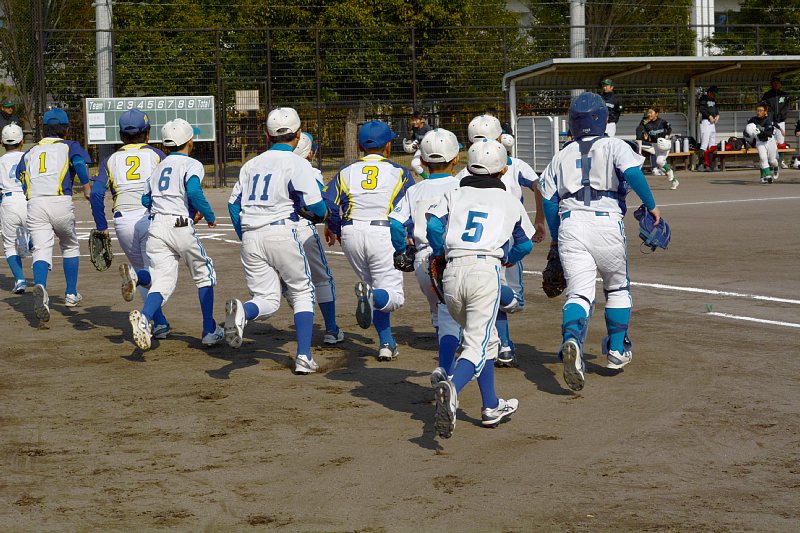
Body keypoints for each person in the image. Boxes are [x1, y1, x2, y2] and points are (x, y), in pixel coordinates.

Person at [538, 92, 661, 392]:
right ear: (603, 120)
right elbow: (633, 173)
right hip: (606, 223)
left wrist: (556, 237)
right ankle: (617, 351)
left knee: (579, 293)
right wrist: (652, 205)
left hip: (571, 225)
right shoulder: (615, 145)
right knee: (617, 287)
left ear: (572, 122)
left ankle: (571, 339)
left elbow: (549, 201)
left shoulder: (561, 155)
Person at [427, 138, 536, 438]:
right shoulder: (509, 200)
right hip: (485, 272)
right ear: (503, 171)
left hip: (453, 272)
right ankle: (452, 388)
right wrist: (508, 260)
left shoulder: (454, 192)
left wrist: (439, 252)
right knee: (477, 344)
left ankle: (491, 406)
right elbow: (525, 243)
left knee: (485, 341)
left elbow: (434, 226)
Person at [223, 109, 329, 374]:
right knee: (303, 291)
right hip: (281, 231)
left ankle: (243, 312)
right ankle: (303, 356)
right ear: (299, 133)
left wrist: (245, 237)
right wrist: (324, 215)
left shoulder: (250, 165)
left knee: (266, 299)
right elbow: (316, 206)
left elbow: (234, 205)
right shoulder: (298, 163)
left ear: (267, 135)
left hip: (251, 235)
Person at [455, 114, 545, 367]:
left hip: (470, 244)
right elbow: (538, 185)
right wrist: (539, 219)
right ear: (501, 139)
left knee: (479, 293)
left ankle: (485, 342)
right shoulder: (513, 165)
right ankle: (502, 344)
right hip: (507, 242)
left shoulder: (463, 173)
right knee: (507, 298)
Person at [128, 118, 223, 351]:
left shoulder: (158, 167)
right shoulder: (192, 164)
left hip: (156, 227)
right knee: (205, 274)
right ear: (190, 142)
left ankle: (144, 318)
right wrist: (208, 215)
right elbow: (193, 190)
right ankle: (209, 331)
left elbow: (146, 199)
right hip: (180, 226)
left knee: (161, 281)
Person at [323, 120, 414, 361]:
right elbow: (410, 207)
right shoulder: (399, 172)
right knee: (392, 296)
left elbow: (329, 202)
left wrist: (335, 228)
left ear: (361, 146)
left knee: (375, 286)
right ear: (388, 146)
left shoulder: (346, 171)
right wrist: (410, 236)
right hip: (383, 233)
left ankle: (387, 343)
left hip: (352, 232)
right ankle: (373, 302)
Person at [91, 109, 172, 339]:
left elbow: (96, 194)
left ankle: (161, 323)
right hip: (150, 217)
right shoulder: (157, 155)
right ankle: (149, 320)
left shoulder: (110, 160)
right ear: (147, 134)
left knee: (144, 273)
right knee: (160, 274)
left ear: (121, 135)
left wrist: (101, 226)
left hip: (122, 221)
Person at [389, 128, 462, 379]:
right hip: (454, 256)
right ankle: (454, 368)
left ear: (422, 160)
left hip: (423, 261)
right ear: (456, 158)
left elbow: (396, 224)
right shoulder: (461, 186)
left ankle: (448, 360)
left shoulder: (415, 190)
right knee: (464, 315)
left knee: (441, 314)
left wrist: (401, 251)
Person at [17, 108, 92, 325]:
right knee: (69, 244)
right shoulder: (69, 145)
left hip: (35, 203)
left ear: (44, 129)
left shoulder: (30, 151)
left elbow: (21, 176)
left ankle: (40, 285)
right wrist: (86, 186)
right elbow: (79, 163)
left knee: (41, 249)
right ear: (66, 129)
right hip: (60, 200)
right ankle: (71, 293)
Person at [292, 132, 344, 345]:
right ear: (309, 153)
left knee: (288, 282)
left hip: (274, 230)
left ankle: (248, 312)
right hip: (303, 229)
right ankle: (331, 329)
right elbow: (324, 201)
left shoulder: (271, 165)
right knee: (322, 279)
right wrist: (331, 223)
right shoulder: (309, 171)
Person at [0, 124, 29, 294]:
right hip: (29, 200)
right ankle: (30, 241)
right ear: (22, 141)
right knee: (40, 237)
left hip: (9, 201)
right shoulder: (28, 157)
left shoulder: (1, 161)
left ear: (2, 143)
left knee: (9, 245)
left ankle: (20, 280)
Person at [642, 106, 678, 189]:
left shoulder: (662, 121)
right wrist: (645, 135)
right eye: (649, 112)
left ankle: (670, 172)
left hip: (664, 144)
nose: (649, 114)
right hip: (655, 145)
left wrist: (667, 135)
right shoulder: (647, 125)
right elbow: (645, 136)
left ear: (657, 114)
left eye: (651, 112)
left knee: (659, 161)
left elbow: (669, 127)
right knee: (661, 166)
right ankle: (674, 181)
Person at [743, 102, 779, 184]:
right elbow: (747, 130)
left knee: (772, 161)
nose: (758, 112)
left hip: (769, 141)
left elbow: (769, 133)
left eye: (760, 110)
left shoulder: (768, 120)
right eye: (757, 110)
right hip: (759, 141)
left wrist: (760, 130)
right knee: (763, 158)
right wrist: (746, 133)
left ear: (765, 111)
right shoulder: (753, 120)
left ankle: (776, 167)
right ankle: (768, 176)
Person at [761, 76, 790, 168]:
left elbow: (786, 107)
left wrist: (781, 115)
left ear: (780, 84)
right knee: (770, 141)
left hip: (781, 121)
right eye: (774, 83)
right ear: (771, 84)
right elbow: (765, 106)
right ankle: (771, 161)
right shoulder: (767, 95)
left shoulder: (784, 95)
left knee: (781, 141)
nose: (776, 84)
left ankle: (781, 161)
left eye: (778, 83)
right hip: (770, 121)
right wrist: (771, 115)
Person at [402, 110, 432, 179]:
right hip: (421, 149)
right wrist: (411, 143)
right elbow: (414, 138)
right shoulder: (414, 128)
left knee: (433, 165)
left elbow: (431, 142)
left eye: (416, 120)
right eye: (413, 120)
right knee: (414, 164)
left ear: (422, 120)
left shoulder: (427, 128)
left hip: (430, 150)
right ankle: (427, 179)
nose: (414, 122)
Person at [697, 86, 720, 172]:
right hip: (705, 122)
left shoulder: (714, 100)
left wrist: (717, 115)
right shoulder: (704, 98)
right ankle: (701, 163)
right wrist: (709, 116)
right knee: (704, 143)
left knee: (712, 144)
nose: (714, 96)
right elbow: (702, 109)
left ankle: (711, 164)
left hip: (712, 123)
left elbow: (716, 109)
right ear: (709, 92)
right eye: (713, 94)